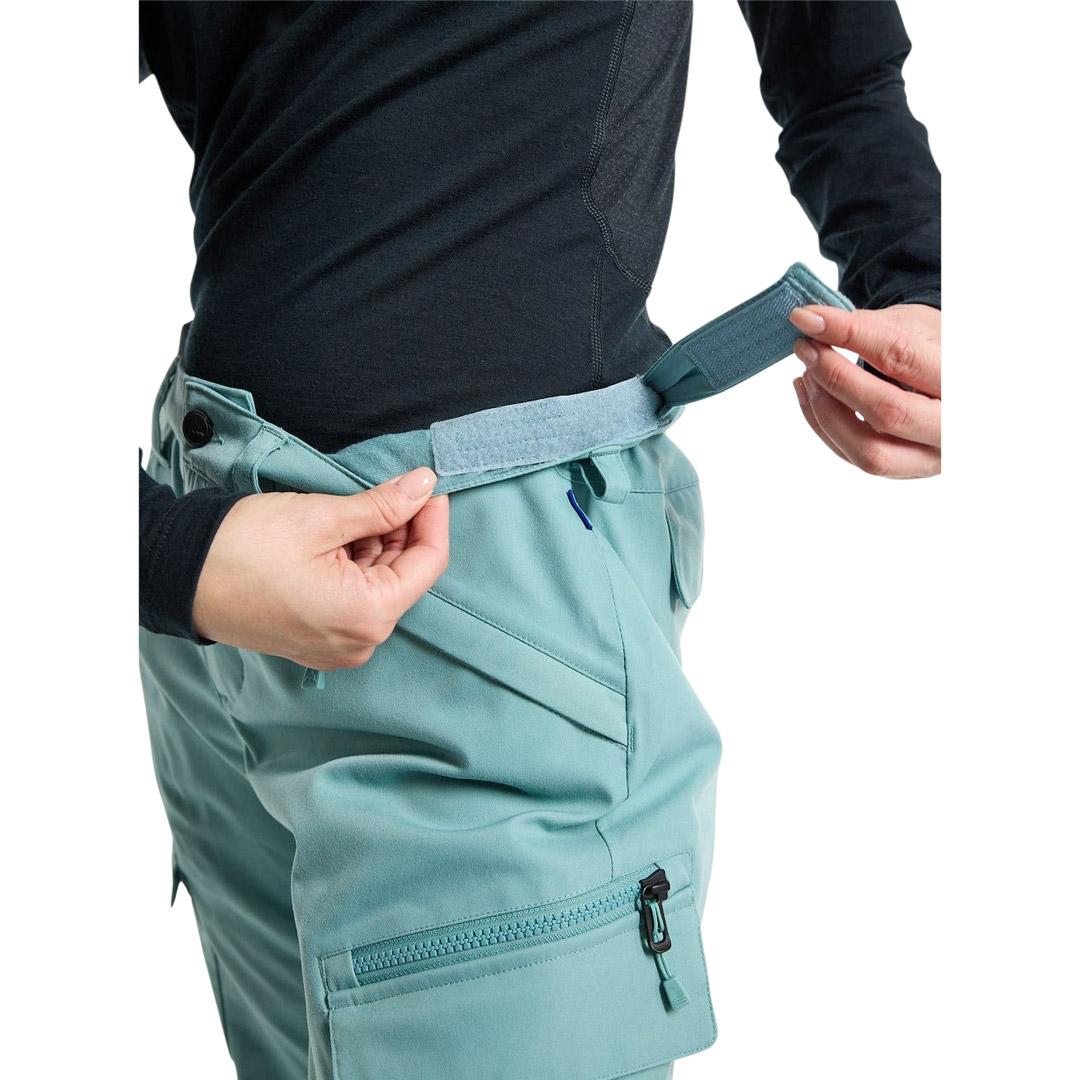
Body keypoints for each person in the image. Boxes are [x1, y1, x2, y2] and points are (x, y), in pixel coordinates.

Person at [138, 3, 940, 1078]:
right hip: (212, 541)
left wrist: (924, 275)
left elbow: (840, 65)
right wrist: (169, 553)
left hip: (480, 583)